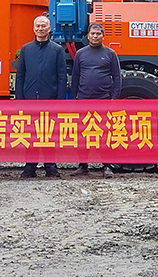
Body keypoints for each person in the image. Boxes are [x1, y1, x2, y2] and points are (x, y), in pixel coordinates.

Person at [16, 15, 67, 178]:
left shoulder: (57, 50)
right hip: (29, 99)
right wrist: (19, 100)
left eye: (43, 26)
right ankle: (30, 166)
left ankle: (50, 166)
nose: (40, 29)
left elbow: (62, 77)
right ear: (33, 28)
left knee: (49, 133)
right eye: (38, 26)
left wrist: (60, 101)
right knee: (30, 134)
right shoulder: (26, 49)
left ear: (49, 28)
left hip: (50, 98)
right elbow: (20, 76)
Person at [70, 23, 121, 178]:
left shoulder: (110, 54)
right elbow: (75, 77)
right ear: (88, 35)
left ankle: (107, 166)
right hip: (83, 100)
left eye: (98, 34)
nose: (95, 36)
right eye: (92, 33)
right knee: (83, 134)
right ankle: (83, 165)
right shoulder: (80, 54)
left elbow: (117, 77)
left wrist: (114, 99)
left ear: (103, 36)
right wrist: (73, 99)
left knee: (104, 134)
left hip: (103, 100)